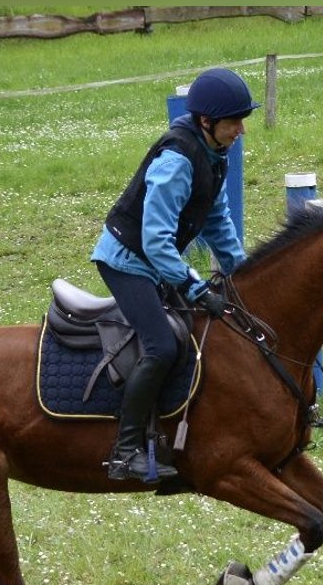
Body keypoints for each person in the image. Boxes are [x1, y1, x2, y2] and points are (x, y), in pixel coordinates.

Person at [91, 67, 260, 482]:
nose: (241, 130)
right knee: (162, 346)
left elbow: (217, 221)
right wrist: (195, 287)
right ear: (206, 121)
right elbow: (155, 241)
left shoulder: (214, 155)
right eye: (234, 122)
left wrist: (243, 275)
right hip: (127, 262)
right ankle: (125, 452)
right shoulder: (177, 161)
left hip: (156, 262)